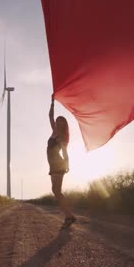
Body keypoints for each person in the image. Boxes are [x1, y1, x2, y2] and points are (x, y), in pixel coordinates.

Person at [48, 98, 76, 229]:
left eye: (61, 121)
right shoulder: (54, 131)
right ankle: (69, 215)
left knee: (57, 191)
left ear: (64, 124)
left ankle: (69, 216)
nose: (58, 122)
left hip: (58, 164)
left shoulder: (63, 137)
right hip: (53, 164)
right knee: (56, 191)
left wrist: (67, 164)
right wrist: (52, 102)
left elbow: (64, 151)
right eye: (57, 120)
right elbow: (50, 115)